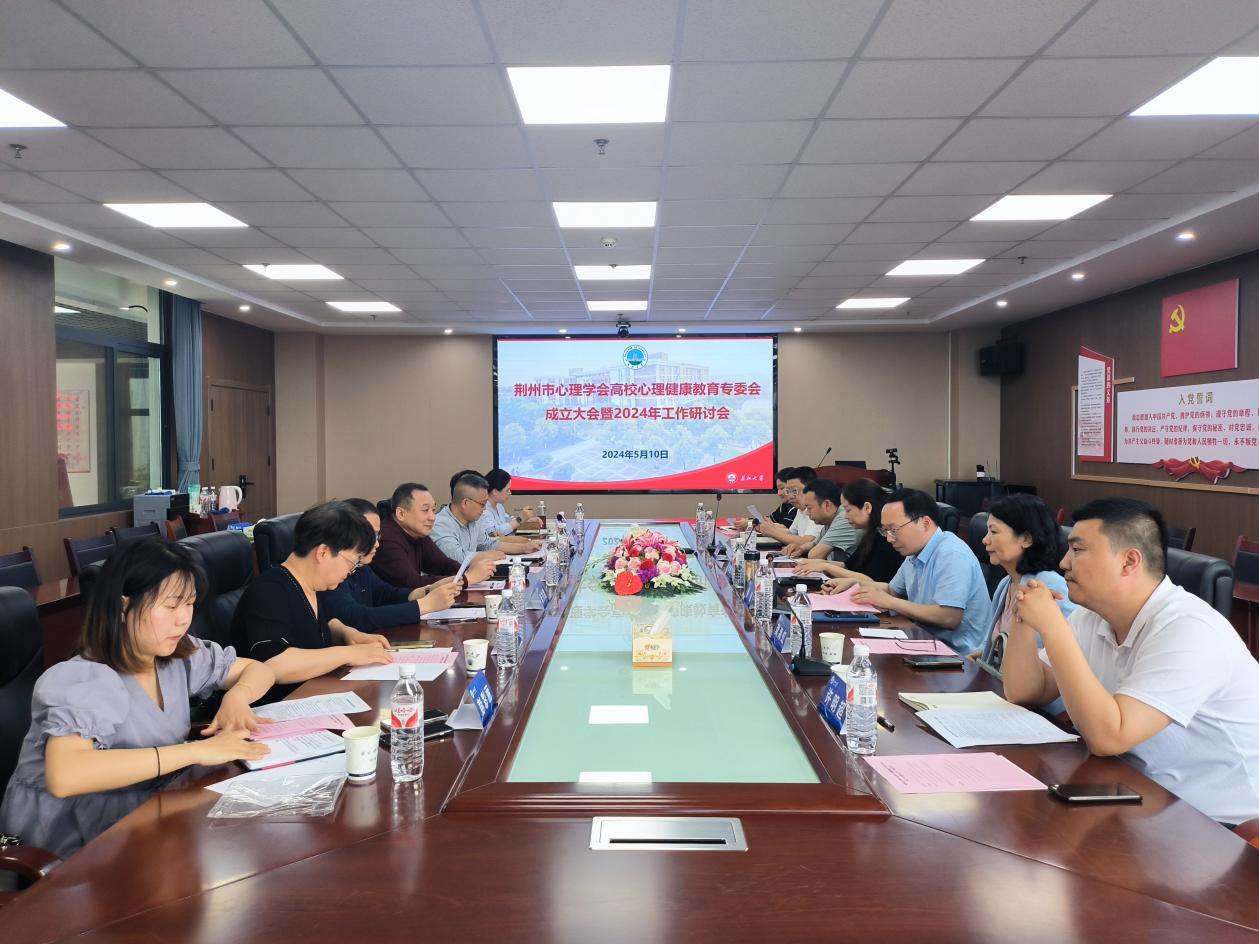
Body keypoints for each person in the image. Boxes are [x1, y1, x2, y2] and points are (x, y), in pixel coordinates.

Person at [0, 539, 274, 858]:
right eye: (170, 606)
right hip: (73, 842)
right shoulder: (84, 678)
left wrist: (238, 696)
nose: (183, 619)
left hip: (145, 816)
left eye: (189, 604)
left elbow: (258, 670)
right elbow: (66, 775)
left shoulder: (175, 655)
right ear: (122, 606)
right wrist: (196, 751)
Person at [1005, 497, 1259, 825]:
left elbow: (1109, 738)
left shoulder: (1189, 629)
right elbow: (1025, 691)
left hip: (1220, 827)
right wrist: (1025, 620)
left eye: (1078, 550)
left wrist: (1053, 627)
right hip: (1137, 795)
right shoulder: (1092, 617)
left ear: (1129, 561)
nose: (1064, 563)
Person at [231, 501, 394, 702]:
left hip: (314, 697)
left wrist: (345, 633)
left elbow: (312, 629)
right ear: (323, 552)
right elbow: (274, 663)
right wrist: (348, 653)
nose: (350, 571)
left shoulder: (311, 585)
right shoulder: (270, 590)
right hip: (276, 709)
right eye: (352, 562)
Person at [843, 488, 991, 655]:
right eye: (884, 531)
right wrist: (855, 584)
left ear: (925, 523)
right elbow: (892, 590)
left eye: (893, 529)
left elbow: (949, 617)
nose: (889, 538)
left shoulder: (951, 553)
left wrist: (890, 602)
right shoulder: (916, 551)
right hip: (924, 641)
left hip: (958, 656)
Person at [321, 499, 463, 632]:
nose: (376, 543)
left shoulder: (361, 567)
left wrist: (429, 590)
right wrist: (425, 605)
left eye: (377, 535)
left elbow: (386, 594)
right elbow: (357, 617)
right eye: (369, 536)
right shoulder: (329, 574)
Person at [976, 493, 1075, 676]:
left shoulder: (1051, 586)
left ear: (1026, 539)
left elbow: (1073, 652)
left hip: (1038, 691)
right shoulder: (1006, 583)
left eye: (994, 532)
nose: (985, 539)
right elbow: (994, 644)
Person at [373, 483, 497, 589]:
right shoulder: (386, 540)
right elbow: (413, 584)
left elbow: (443, 565)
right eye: (425, 510)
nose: (432, 517)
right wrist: (466, 578)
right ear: (401, 514)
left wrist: (468, 571)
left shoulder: (417, 533)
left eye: (433, 510)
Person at [797, 477, 903, 584]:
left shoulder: (887, 538)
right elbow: (848, 566)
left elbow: (871, 581)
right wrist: (818, 563)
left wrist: (826, 567)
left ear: (867, 508)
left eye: (848, 510)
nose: (845, 516)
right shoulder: (870, 534)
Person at [432, 472, 540, 561]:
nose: (484, 509)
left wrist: (524, 548)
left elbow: (488, 544)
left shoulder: (473, 520)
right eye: (482, 504)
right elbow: (458, 557)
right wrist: (488, 555)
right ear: (465, 503)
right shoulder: (441, 524)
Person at [789, 478, 859, 560]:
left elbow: (815, 555)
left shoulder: (845, 518)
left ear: (827, 505)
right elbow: (814, 544)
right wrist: (801, 548)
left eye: (809, 508)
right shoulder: (830, 520)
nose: (807, 513)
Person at [753, 467, 822, 550]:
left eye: (794, 491)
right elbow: (791, 533)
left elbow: (806, 542)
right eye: (788, 491)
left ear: (810, 488)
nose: (790, 496)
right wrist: (771, 527)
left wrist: (772, 532)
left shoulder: (818, 509)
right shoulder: (801, 509)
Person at [482, 468, 543, 537]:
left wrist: (526, 520)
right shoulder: (483, 509)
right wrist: (520, 519)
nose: (510, 493)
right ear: (495, 491)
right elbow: (495, 533)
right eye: (507, 490)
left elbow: (508, 520)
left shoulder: (499, 506)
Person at [732, 468, 798, 530]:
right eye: (778, 489)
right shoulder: (785, 505)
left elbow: (785, 528)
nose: (779, 493)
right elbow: (770, 521)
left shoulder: (797, 507)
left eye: (782, 488)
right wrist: (751, 522)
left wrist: (751, 524)